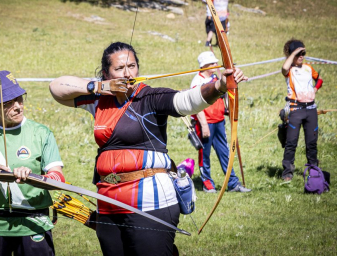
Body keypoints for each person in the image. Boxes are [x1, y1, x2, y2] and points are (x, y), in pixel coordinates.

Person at [49, 42, 247, 255]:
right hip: (108, 202)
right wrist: (98, 87)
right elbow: (56, 87)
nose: (127, 73)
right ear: (106, 73)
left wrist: (219, 86)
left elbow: (186, 101)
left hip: (151, 200)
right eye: (119, 69)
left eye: (132, 66)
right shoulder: (98, 100)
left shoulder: (151, 97)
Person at [0, 70, 65, 256]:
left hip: (33, 223)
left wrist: (32, 177)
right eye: (8, 102)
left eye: (19, 99)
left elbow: (58, 179)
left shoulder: (41, 133)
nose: (18, 106)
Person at [190, 51, 251, 193]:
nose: (216, 65)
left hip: (218, 121)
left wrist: (227, 110)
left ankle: (233, 184)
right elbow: (196, 105)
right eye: (212, 63)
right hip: (204, 124)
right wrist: (204, 125)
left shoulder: (215, 78)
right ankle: (208, 184)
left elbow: (222, 96)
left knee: (224, 153)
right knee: (204, 155)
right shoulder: (197, 82)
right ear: (204, 66)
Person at [281, 39, 322, 181]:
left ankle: (313, 169)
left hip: (310, 109)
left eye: (303, 53)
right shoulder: (290, 70)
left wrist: (315, 89)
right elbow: (284, 68)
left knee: (312, 142)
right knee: (291, 142)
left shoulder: (308, 68)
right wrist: (293, 54)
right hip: (295, 109)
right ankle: (287, 172)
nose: (301, 56)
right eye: (299, 53)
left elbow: (319, 79)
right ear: (292, 54)